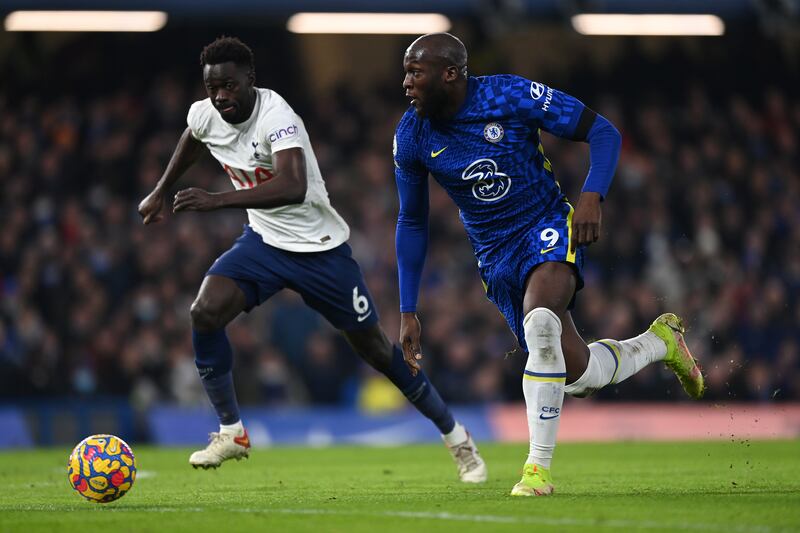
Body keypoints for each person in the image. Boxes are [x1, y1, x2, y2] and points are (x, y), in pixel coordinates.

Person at [138, 36, 487, 482]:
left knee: (378, 352)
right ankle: (232, 431)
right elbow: (194, 135)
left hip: (322, 251)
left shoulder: (277, 117)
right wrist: (161, 190)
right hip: (264, 243)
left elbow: (292, 186)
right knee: (204, 312)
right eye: (213, 87)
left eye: (229, 85)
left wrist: (216, 200)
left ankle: (456, 436)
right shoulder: (206, 113)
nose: (220, 96)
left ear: (250, 81)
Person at [393, 33, 704, 496]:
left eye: (416, 72)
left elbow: (603, 131)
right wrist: (407, 308)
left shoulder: (509, 95)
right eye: (406, 72)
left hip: (547, 225)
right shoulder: (411, 134)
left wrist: (593, 196)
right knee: (577, 375)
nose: (406, 83)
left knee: (542, 323)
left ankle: (536, 471)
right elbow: (412, 221)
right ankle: (661, 343)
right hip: (495, 257)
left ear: (451, 74)